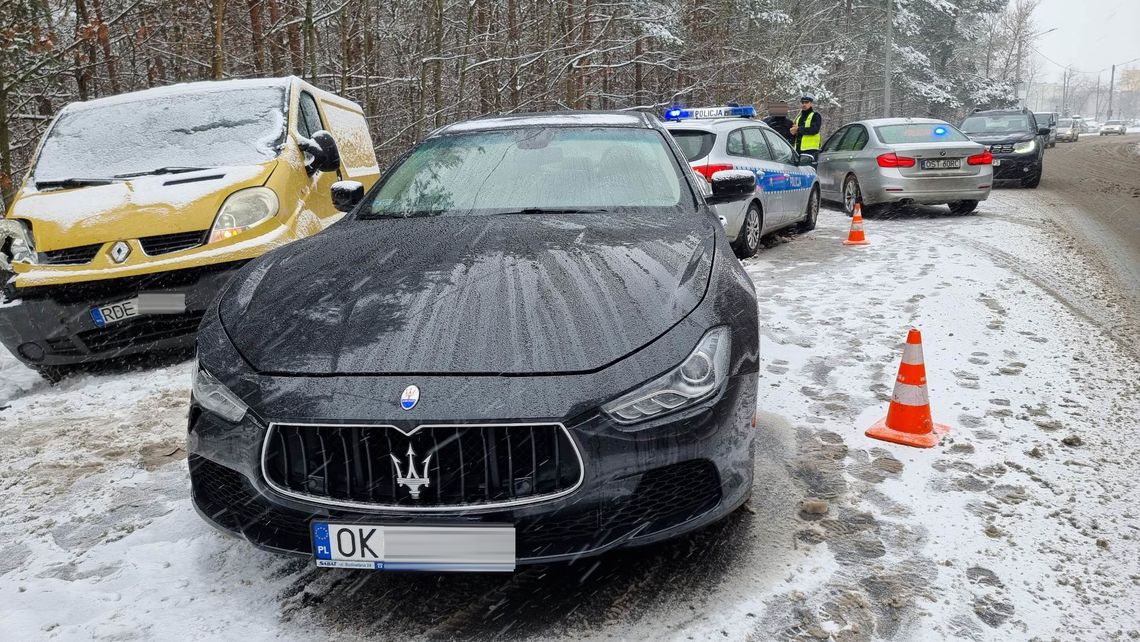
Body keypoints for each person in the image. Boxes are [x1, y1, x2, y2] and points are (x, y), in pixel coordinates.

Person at [790, 94, 823, 160]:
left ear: (811, 104)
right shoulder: (799, 118)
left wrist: (798, 129)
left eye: (806, 102)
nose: (804, 104)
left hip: (811, 151)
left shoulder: (815, 115)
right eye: (802, 102)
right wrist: (793, 132)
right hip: (798, 150)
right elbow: (798, 133)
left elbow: (814, 130)